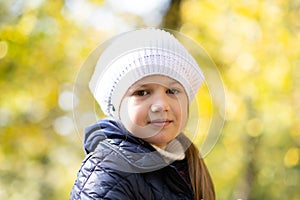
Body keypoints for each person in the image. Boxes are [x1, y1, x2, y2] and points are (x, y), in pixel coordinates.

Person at [70, 28, 215, 200]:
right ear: (118, 108)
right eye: (142, 93)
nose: (161, 105)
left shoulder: (189, 166)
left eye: (172, 90)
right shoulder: (108, 170)